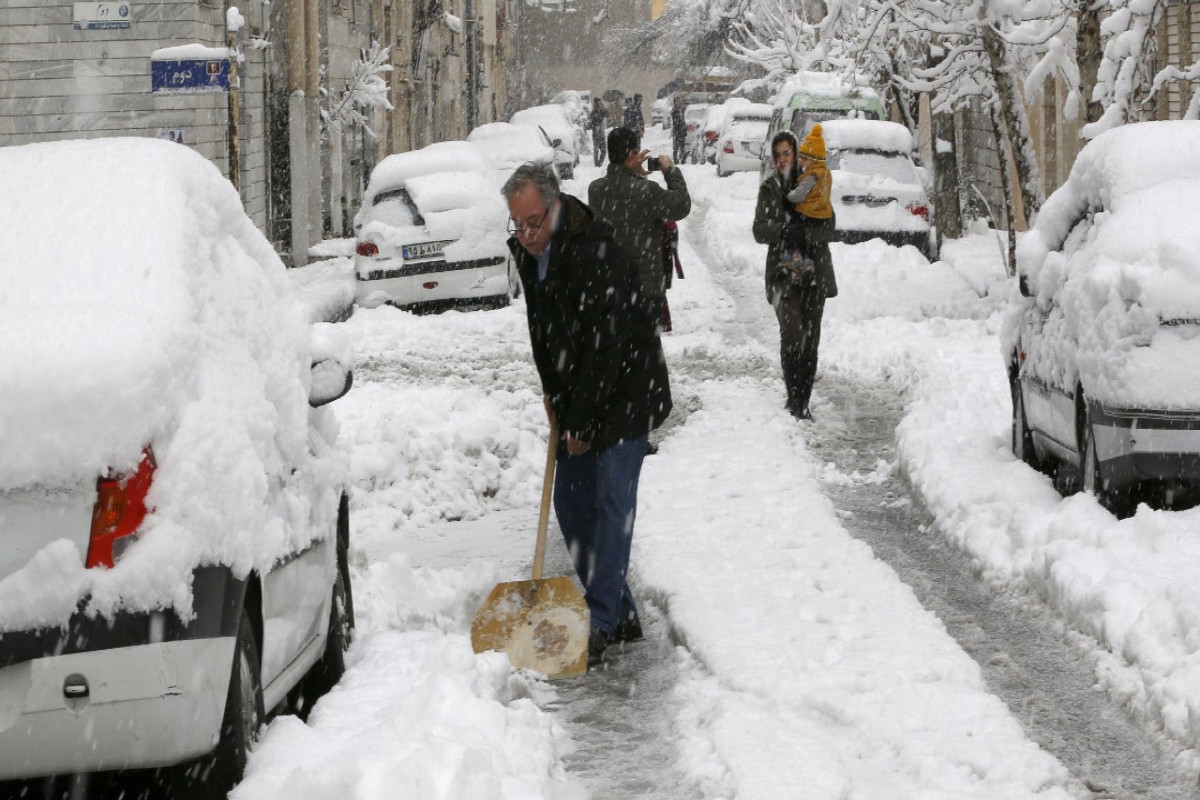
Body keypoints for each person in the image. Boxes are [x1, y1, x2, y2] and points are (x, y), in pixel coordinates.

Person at [501, 161, 673, 665]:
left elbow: (606, 346)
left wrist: (583, 420)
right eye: (517, 224)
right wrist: (557, 397)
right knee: (572, 503)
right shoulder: (533, 256)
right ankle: (618, 614)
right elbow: (548, 336)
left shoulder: (596, 252)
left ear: (555, 208)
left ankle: (599, 621)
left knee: (612, 503)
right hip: (580, 393)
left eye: (533, 222)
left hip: (627, 389)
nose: (526, 234)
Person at [752, 128, 838, 421]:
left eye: (787, 153)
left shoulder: (815, 181)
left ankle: (804, 400)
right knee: (792, 335)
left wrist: (807, 234)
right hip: (783, 276)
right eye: (777, 155)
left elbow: (829, 225)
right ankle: (793, 399)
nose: (781, 159)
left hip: (815, 274)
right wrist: (783, 231)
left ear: (797, 153)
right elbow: (759, 229)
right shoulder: (771, 188)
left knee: (810, 340)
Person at [587, 126, 691, 330]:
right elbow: (681, 205)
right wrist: (670, 171)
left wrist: (631, 175)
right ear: (631, 154)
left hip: (608, 288)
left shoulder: (596, 189)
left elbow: (622, 197)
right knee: (645, 356)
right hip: (645, 291)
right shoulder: (646, 191)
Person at [588, 98, 608, 167]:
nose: (599, 104)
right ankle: (596, 164)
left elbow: (607, 114)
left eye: (600, 103)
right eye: (598, 103)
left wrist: (603, 107)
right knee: (596, 150)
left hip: (601, 134)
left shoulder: (603, 111)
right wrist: (595, 127)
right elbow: (590, 124)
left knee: (604, 151)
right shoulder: (593, 113)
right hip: (596, 134)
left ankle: (599, 163)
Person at [670, 97, 687, 164]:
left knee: (682, 146)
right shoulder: (674, 111)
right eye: (678, 102)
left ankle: (683, 159)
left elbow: (683, 121)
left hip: (682, 131)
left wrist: (684, 129)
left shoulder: (682, 110)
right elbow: (676, 121)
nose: (680, 103)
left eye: (680, 101)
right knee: (676, 146)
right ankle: (676, 159)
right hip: (677, 131)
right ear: (675, 103)